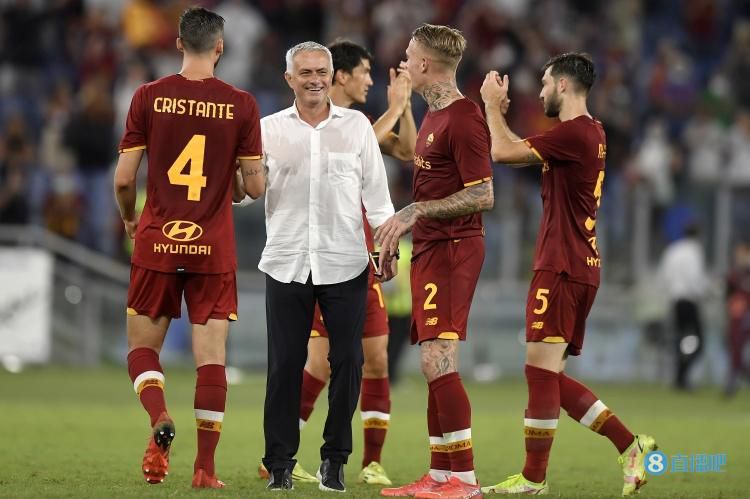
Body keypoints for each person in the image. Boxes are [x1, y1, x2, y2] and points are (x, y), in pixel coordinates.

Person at [478, 52, 656, 496]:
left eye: (543, 83)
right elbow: (524, 153)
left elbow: (501, 151)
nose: (538, 92)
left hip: (560, 266)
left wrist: (489, 106)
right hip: (582, 266)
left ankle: (535, 479)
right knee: (548, 378)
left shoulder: (574, 132)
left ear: (562, 85)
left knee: (540, 376)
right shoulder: (591, 133)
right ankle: (630, 445)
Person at [113, 6, 264, 490]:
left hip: (157, 239)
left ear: (178, 43)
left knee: (142, 351)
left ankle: (159, 416)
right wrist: (235, 183)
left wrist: (129, 218)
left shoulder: (148, 97)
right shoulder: (241, 104)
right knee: (211, 360)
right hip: (212, 247)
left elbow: (122, 179)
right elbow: (254, 188)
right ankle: (205, 469)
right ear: (220, 47)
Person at [254, 39, 416, 486]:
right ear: (289, 78)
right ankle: (280, 465)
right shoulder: (268, 129)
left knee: (350, 362)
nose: (314, 79)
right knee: (284, 365)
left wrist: (386, 242)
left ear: (331, 77)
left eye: (320, 72)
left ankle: (335, 460)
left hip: (346, 261)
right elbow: (248, 191)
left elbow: (377, 196)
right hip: (286, 261)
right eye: (304, 72)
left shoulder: (357, 127)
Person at [375, 24, 494, 499]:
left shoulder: (464, 119)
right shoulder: (434, 115)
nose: (404, 62)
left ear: (425, 64)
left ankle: (463, 478)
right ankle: (440, 475)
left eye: (408, 55)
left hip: (453, 249)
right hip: (429, 248)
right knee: (430, 363)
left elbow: (484, 194)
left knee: (438, 359)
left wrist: (417, 211)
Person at [658, 221, 710, 391]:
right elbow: (695, 278)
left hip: (676, 301)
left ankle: (680, 376)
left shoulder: (673, 250)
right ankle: (682, 375)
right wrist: (705, 294)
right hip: (689, 301)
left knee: (683, 339)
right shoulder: (694, 251)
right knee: (697, 341)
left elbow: (664, 275)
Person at [725, 240, 750, 397]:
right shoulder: (734, 275)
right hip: (738, 317)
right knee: (735, 349)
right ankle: (733, 381)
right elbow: (728, 296)